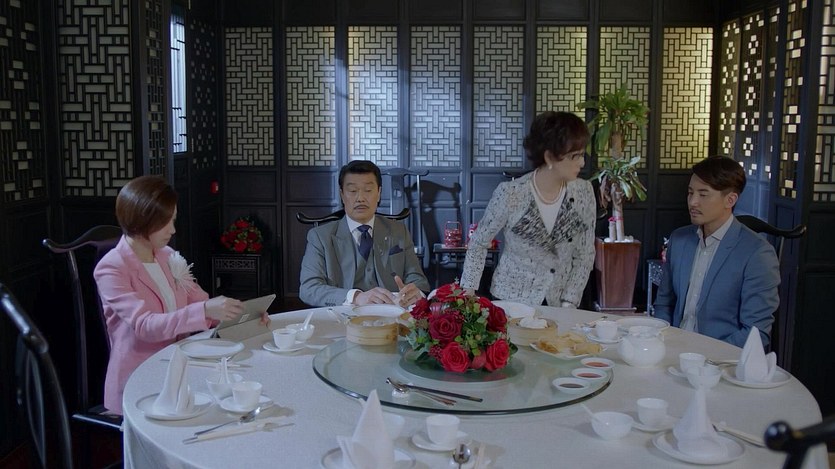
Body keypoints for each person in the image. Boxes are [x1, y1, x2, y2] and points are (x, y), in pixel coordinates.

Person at [95, 176, 257, 414]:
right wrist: (204, 310)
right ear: (142, 219)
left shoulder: (167, 255)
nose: (172, 230)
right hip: (140, 377)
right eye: (165, 222)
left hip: (181, 368)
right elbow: (145, 326)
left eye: (173, 220)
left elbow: (201, 302)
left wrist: (246, 316)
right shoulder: (112, 268)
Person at [460, 111, 597, 307]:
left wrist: (570, 301)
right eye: (575, 156)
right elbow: (478, 242)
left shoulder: (583, 193)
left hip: (559, 303)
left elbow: (585, 254)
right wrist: (468, 291)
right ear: (549, 157)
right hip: (511, 301)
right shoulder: (511, 194)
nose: (582, 163)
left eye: (582, 155)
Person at [653, 155, 780, 348]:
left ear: (730, 199)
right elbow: (664, 303)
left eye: (703, 195)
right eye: (690, 193)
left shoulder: (758, 253)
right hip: (673, 350)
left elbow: (755, 333)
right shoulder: (679, 240)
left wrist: (706, 357)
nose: (693, 202)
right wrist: (663, 342)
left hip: (720, 359)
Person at [299, 160, 430, 307]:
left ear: (379, 193)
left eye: (368, 190)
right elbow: (308, 289)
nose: (360, 198)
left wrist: (413, 293)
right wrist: (355, 297)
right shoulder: (320, 237)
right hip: (343, 315)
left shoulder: (398, 231)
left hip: (390, 313)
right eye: (352, 191)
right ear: (342, 195)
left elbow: (418, 280)